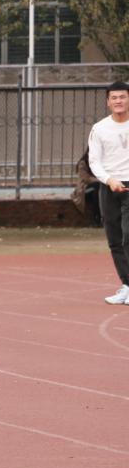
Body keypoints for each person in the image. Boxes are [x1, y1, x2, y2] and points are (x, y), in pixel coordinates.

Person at [88, 81, 129, 305]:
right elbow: (94, 161)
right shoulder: (100, 128)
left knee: (128, 236)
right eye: (114, 97)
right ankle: (127, 285)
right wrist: (109, 180)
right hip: (109, 186)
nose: (118, 101)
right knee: (114, 239)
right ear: (108, 102)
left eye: (122, 97)